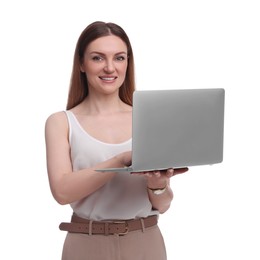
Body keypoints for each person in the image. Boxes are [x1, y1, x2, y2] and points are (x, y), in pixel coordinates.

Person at [45, 21, 188, 260]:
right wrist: (121, 159)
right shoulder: (61, 122)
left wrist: (158, 184)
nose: (110, 68)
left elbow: (162, 205)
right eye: (98, 58)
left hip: (145, 241)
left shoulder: (148, 119)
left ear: (127, 63)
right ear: (81, 64)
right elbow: (62, 192)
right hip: (86, 244)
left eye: (119, 58)